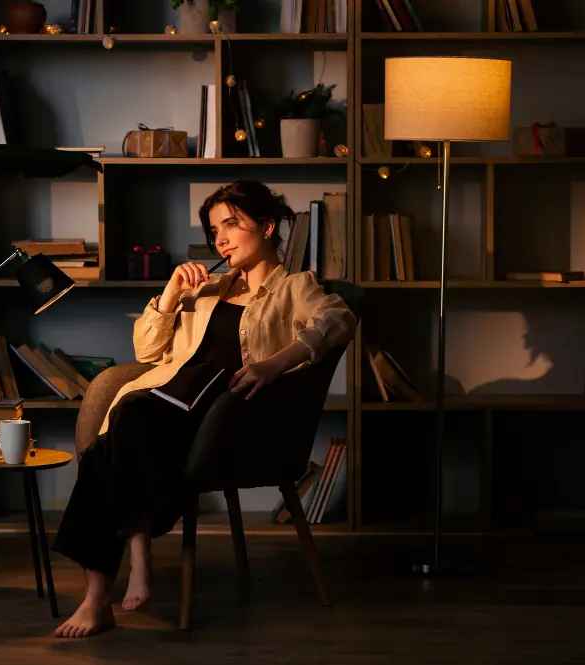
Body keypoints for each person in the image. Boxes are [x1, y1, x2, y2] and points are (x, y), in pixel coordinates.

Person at [51, 180, 357, 638]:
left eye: (231, 224)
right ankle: (115, 579)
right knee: (111, 441)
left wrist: (274, 365)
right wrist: (172, 292)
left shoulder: (295, 286)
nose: (221, 239)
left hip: (226, 411)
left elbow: (337, 320)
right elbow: (148, 350)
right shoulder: (208, 289)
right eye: (215, 230)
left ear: (268, 226)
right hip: (169, 397)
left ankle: (122, 571)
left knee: (128, 419)